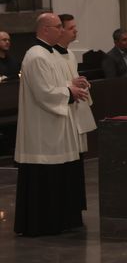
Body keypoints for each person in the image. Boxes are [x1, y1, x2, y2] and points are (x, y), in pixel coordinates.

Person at [15, 13, 86, 236]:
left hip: (56, 126)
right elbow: (43, 92)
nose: (61, 30)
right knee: (46, 177)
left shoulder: (52, 54)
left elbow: (53, 84)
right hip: (42, 129)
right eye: (57, 27)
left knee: (61, 173)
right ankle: (44, 223)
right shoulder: (36, 56)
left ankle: (62, 219)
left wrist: (70, 84)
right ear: (45, 29)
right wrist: (69, 91)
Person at [57, 14, 97, 152]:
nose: (75, 30)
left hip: (76, 106)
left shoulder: (70, 54)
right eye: (71, 28)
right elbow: (51, 84)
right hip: (63, 110)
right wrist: (70, 84)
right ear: (60, 31)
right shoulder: (50, 55)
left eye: (75, 27)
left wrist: (81, 83)